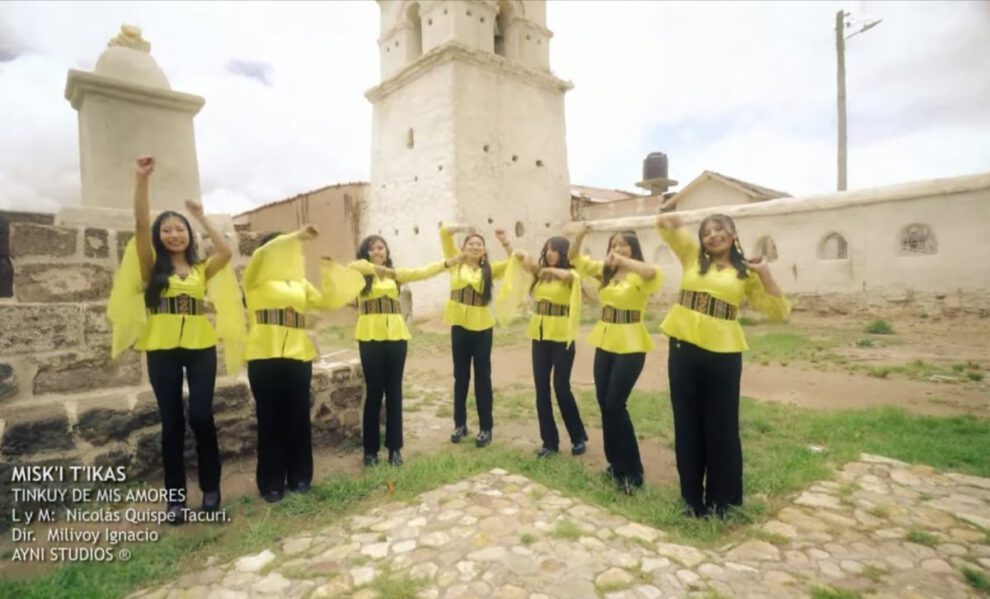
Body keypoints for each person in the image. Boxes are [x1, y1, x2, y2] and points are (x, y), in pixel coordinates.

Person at [107, 155, 244, 523]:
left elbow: (226, 252)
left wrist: (201, 217)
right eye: (166, 230)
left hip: (200, 346)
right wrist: (141, 179)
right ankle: (176, 499)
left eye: (179, 229)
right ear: (159, 236)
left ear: (188, 235)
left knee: (201, 416)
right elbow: (140, 224)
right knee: (171, 423)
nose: (173, 234)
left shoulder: (200, 269)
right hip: (161, 347)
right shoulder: (151, 266)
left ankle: (211, 489)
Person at [656, 213, 790, 518]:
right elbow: (665, 227)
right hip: (683, 348)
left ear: (733, 234)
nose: (713, 235)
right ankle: (691, 499)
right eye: (706, 232)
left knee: (722, 427)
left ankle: (723, 500)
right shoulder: (692, 258)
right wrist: (672, 217)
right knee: (687, 424)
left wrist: (764, 273)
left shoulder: (747, 274)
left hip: (723, 355)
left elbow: (778, 311)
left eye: (719, 229)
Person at [241, 226, 364, 503]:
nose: (286, 252)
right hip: (263, 355)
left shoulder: (299, 283)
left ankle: (300, 476)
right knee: (269, 419)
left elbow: (326, 302)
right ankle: (271, 482)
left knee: (298, 417)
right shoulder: (254, 278)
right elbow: (260, 255)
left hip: (298, 355)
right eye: (280, 248)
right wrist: (293, 237)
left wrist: (328, 270)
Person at [569, 224, 662, 494]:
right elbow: (574, 258)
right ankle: (616, 464)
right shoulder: (606, 272)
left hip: (631, 343)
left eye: (623, 245)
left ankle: (633, 470)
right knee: (604, 402)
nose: (617, 249)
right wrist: (581, 234)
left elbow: (653, 272)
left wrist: (623, 261)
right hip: (605, 340)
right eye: (613, 245)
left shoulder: (640, 273)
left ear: (633, 249)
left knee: (615, 404)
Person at [347, 235, 447, 467]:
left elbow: (423, 272)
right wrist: (375, 269)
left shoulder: (396, 276)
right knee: (374, 393)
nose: (377, 252)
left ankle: (395, 449)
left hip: (396, 337)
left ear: (387, 252)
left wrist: (447, 263)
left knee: (394, 392)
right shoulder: (360, 274)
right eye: (372, 249)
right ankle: (370, 451)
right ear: (366, 253)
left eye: (381, 248)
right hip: (370, 337)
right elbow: (352, 265)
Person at [508, 237, 588, 459]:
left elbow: (569, 276)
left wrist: (543, 270)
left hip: (562, 337)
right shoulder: (539, 276)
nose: (550, 253)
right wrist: (511, 247)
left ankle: (578, 436)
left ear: (564, 253)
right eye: (547, 249)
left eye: (555, 250)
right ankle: (549, 442)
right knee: (541, 388)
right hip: (540, 336)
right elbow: (523, 261)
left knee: (561, 387)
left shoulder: (571, 276)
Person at [439, 224, 512, 448]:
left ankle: (486, 428)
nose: (475, 246)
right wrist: (464, 228)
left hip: (482, 328)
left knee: (483, 378)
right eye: (470, 243)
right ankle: (459, 424)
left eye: (479, 244)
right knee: (460, 377)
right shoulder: (455, 263)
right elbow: (444, 233)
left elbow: (513, 263)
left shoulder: (490, 270)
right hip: (459, 326)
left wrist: (505, 241)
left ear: (484, 251)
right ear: (463, 248)